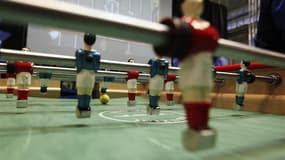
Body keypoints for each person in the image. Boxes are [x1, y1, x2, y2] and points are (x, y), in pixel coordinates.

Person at [75, 33, 100, 118]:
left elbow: (78, 67)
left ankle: (81, 108)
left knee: (82, 92)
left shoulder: (79, 53)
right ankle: (86, 108)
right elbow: (96, 68)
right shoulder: (97, 55)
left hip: (82, 75)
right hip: (91, 76)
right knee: (88, 93)